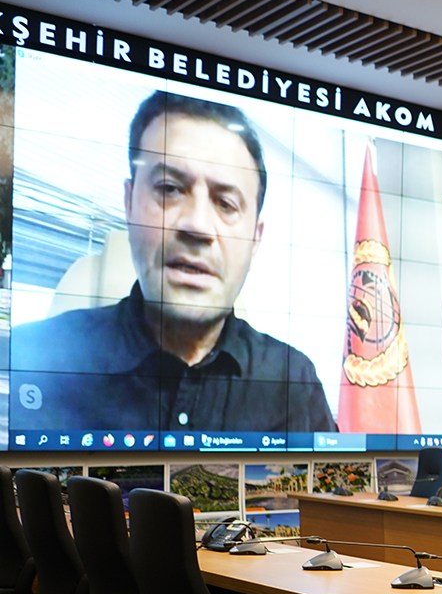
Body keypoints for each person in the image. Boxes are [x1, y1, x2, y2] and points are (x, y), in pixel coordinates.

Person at [10, 91, 335, 435]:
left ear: (255, 239)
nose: (196, 225)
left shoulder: (295, 385)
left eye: (226, 204)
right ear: (129, 203)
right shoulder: (28, 359)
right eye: (169, 188)